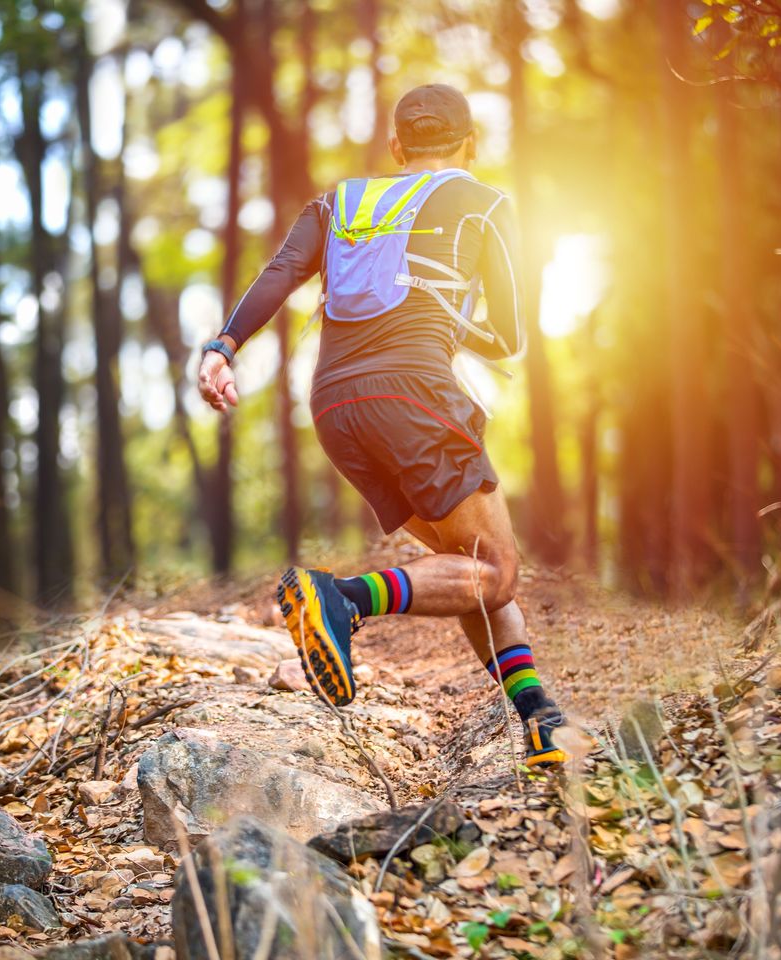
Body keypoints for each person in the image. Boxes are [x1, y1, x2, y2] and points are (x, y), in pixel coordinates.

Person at [196, 83, 566, 766]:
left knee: (470, 567)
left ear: (396, 148)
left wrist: (223, 347)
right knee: (499, 572)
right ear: (469, 145)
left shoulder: (340, 201)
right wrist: (460, 323)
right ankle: (341, 598)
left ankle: (543, 724)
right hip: (415, 397)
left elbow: (281, 272)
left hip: (335, 405)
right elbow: (511, 333)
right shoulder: (483, 203)